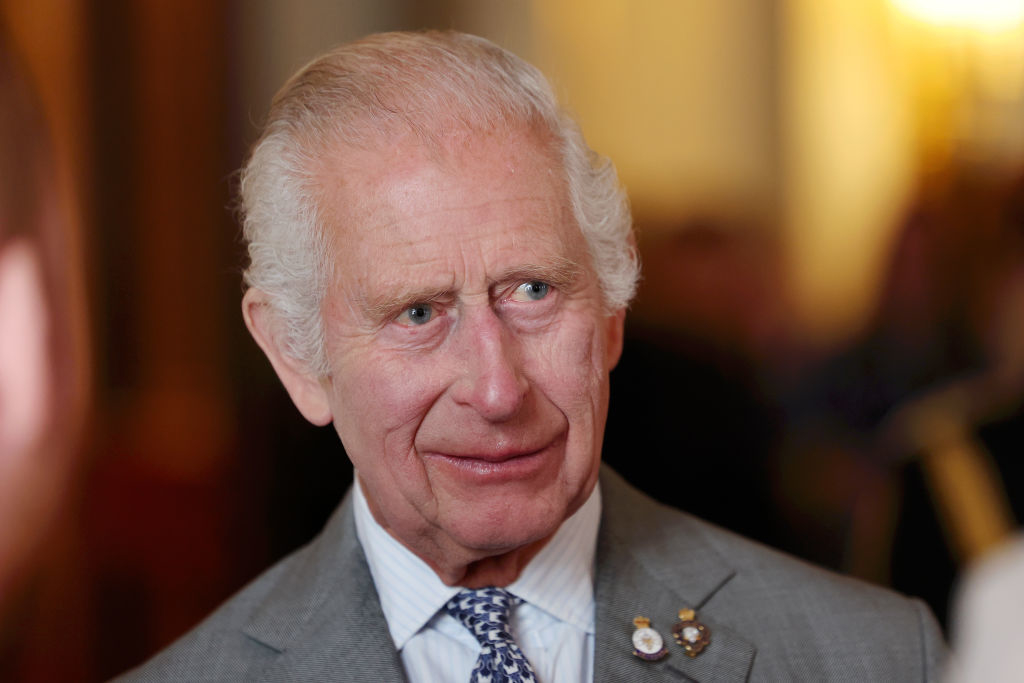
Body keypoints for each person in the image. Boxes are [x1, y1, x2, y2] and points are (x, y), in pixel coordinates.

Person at [117, 30, 945, 681]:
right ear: (296, 355)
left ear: (613, 311)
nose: (497, 386)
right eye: (417, 312)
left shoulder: (875, 658)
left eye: (534, 292)